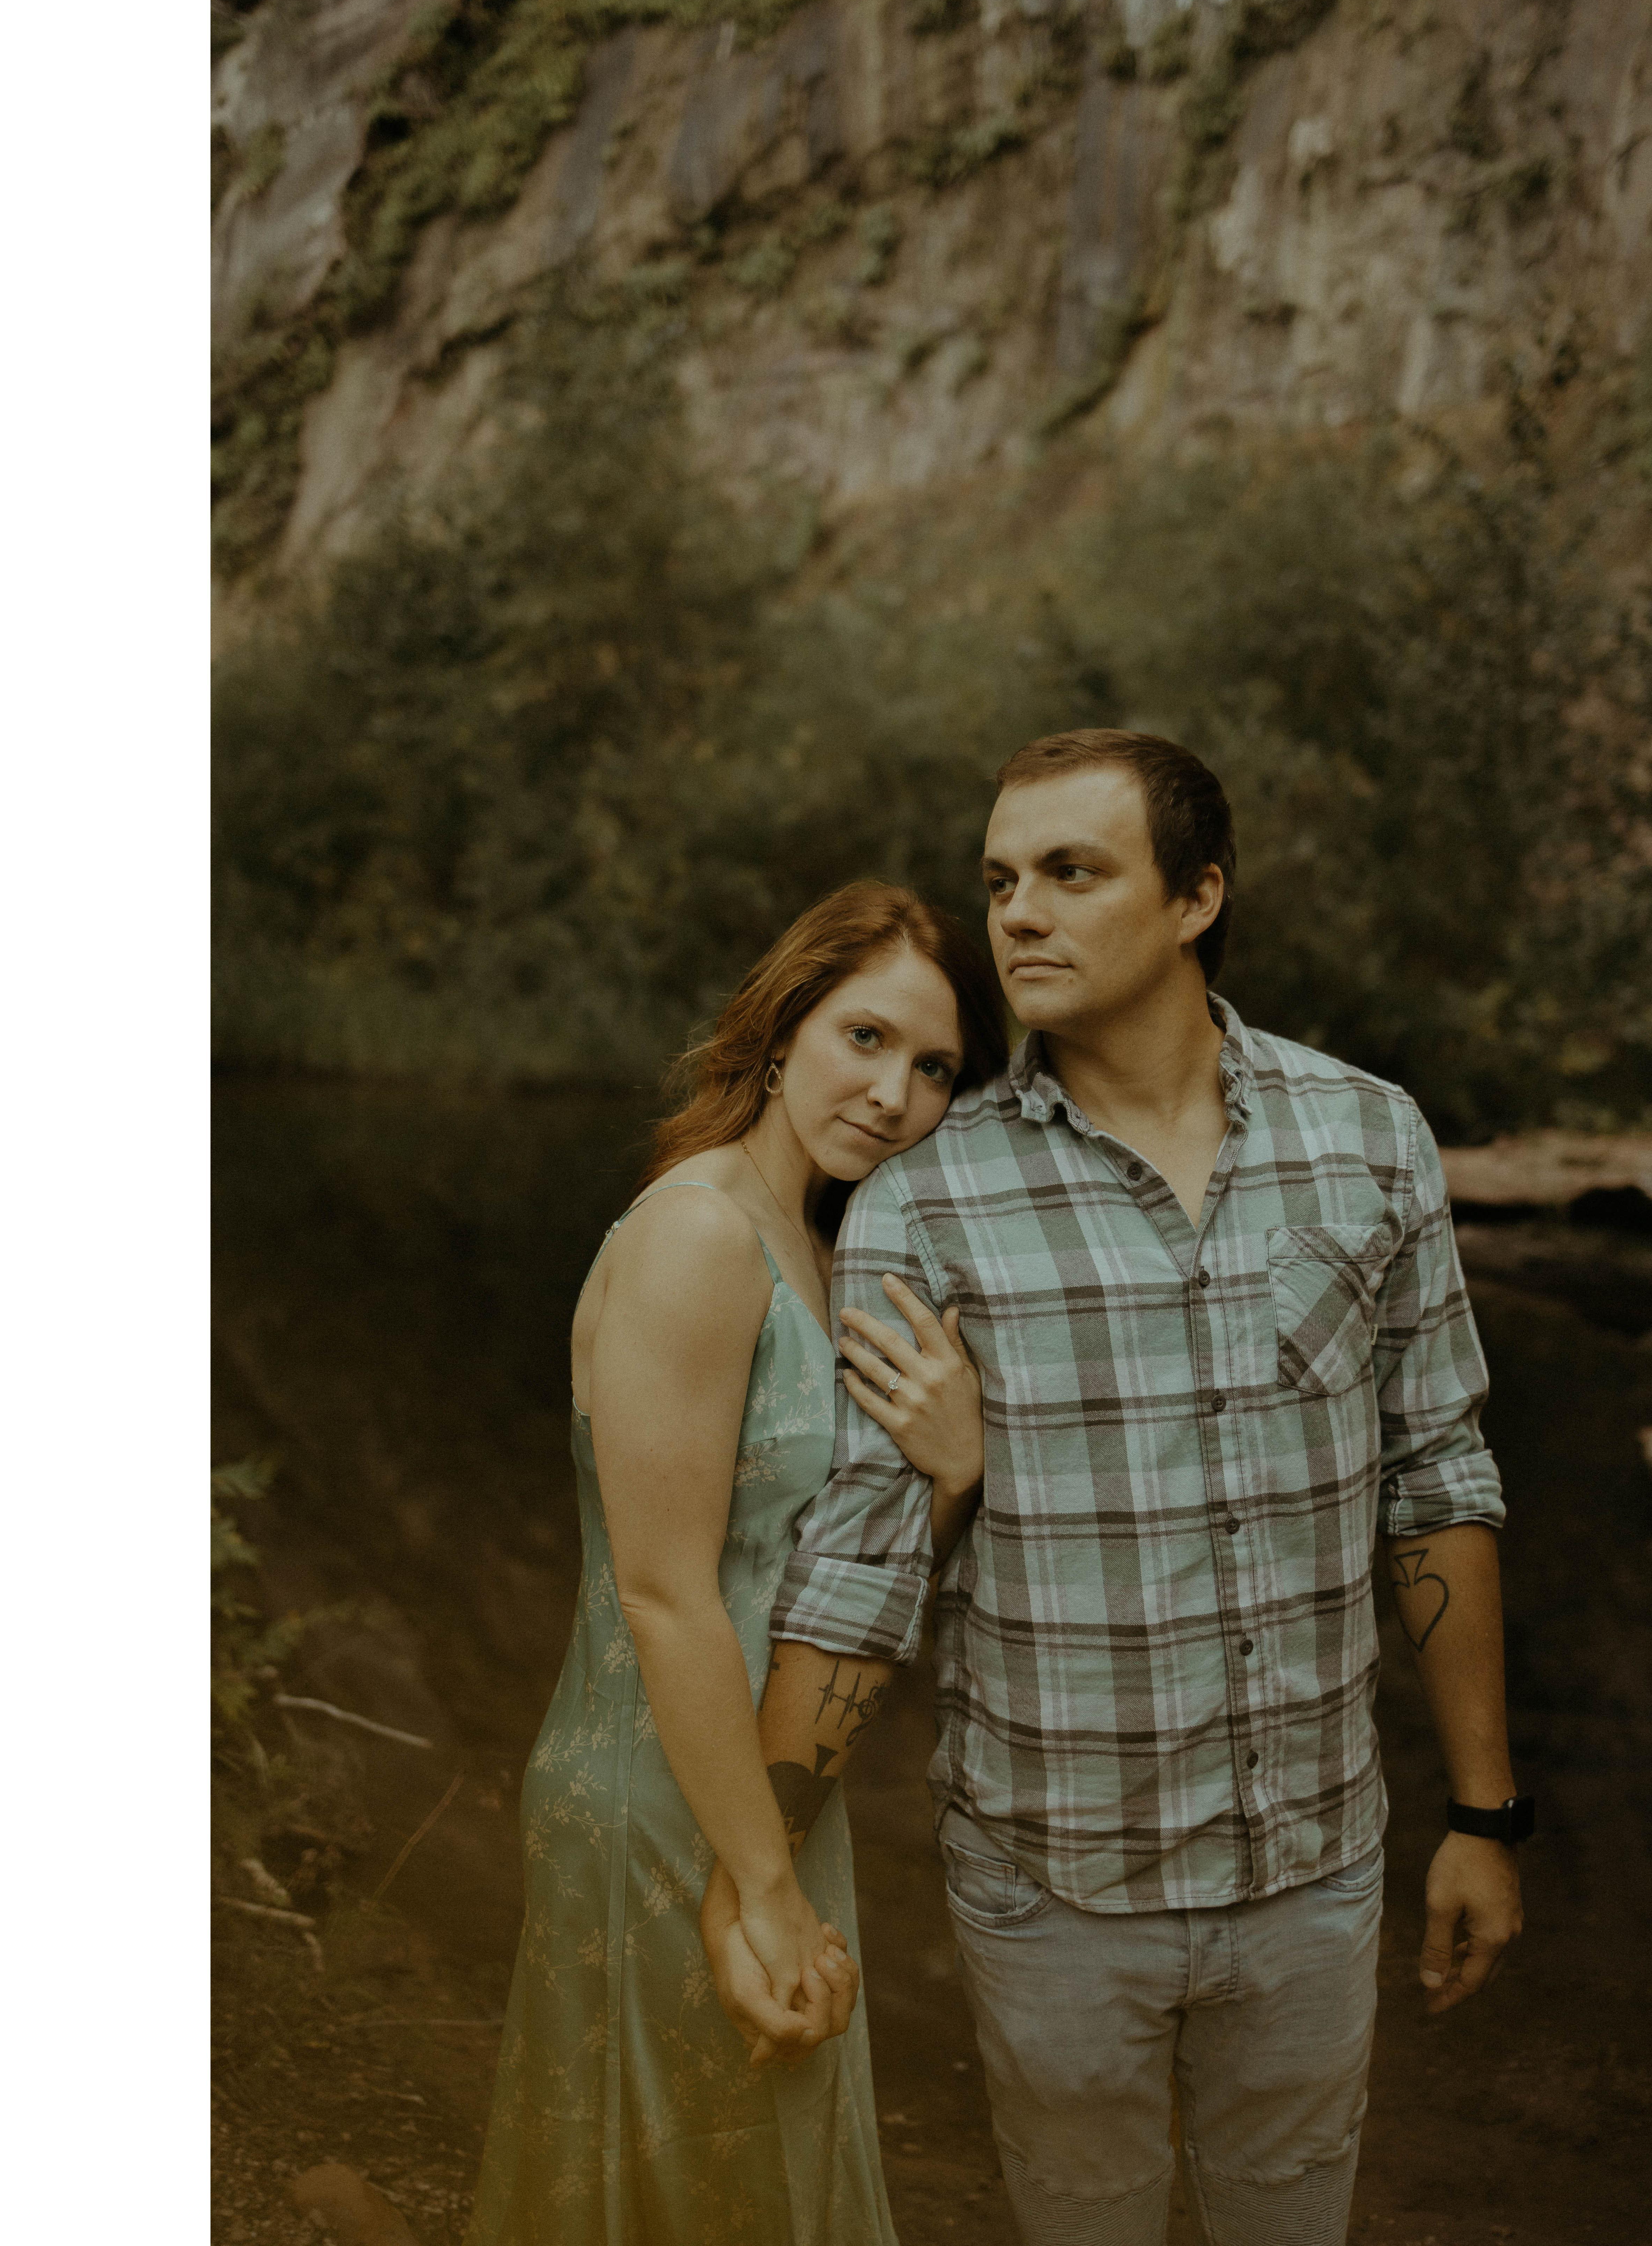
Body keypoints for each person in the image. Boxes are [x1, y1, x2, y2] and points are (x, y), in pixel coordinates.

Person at [705, 730, 1529, 2245]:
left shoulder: (1371, 1139)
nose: (1018, 914)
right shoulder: (929, 1197)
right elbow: (861, 1563)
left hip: (1316, 1867)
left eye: (1072, 874)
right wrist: (758, 1875)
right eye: (1002, 880)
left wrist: (1485, 1813)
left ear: (1197, 895)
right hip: (1053, 1886)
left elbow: (1439, 1478)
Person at [467, 881, 1004, 2246]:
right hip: (662, 1796)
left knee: (761, 2178)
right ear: (783, 1034)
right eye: (865, 1038)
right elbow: (664, 1589)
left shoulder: (820, 1250)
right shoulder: (700, 1234)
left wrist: (951, 1475)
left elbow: (835, 1570)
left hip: (769, 1792)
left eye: (935, 1068)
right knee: (693, 2189)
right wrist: (756, 1885)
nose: (893, 1093)